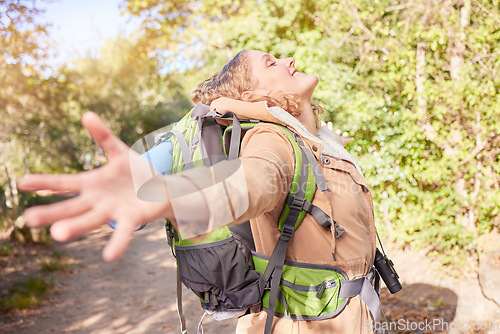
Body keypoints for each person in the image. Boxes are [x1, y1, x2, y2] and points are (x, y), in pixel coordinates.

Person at [18, 50, 376, 333]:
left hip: (349, 315)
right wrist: (165, 196)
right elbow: (245, 186)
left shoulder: (318, 142)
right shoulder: (273, 142)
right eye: (272, 62)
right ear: (251, 95)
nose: (289, 61)